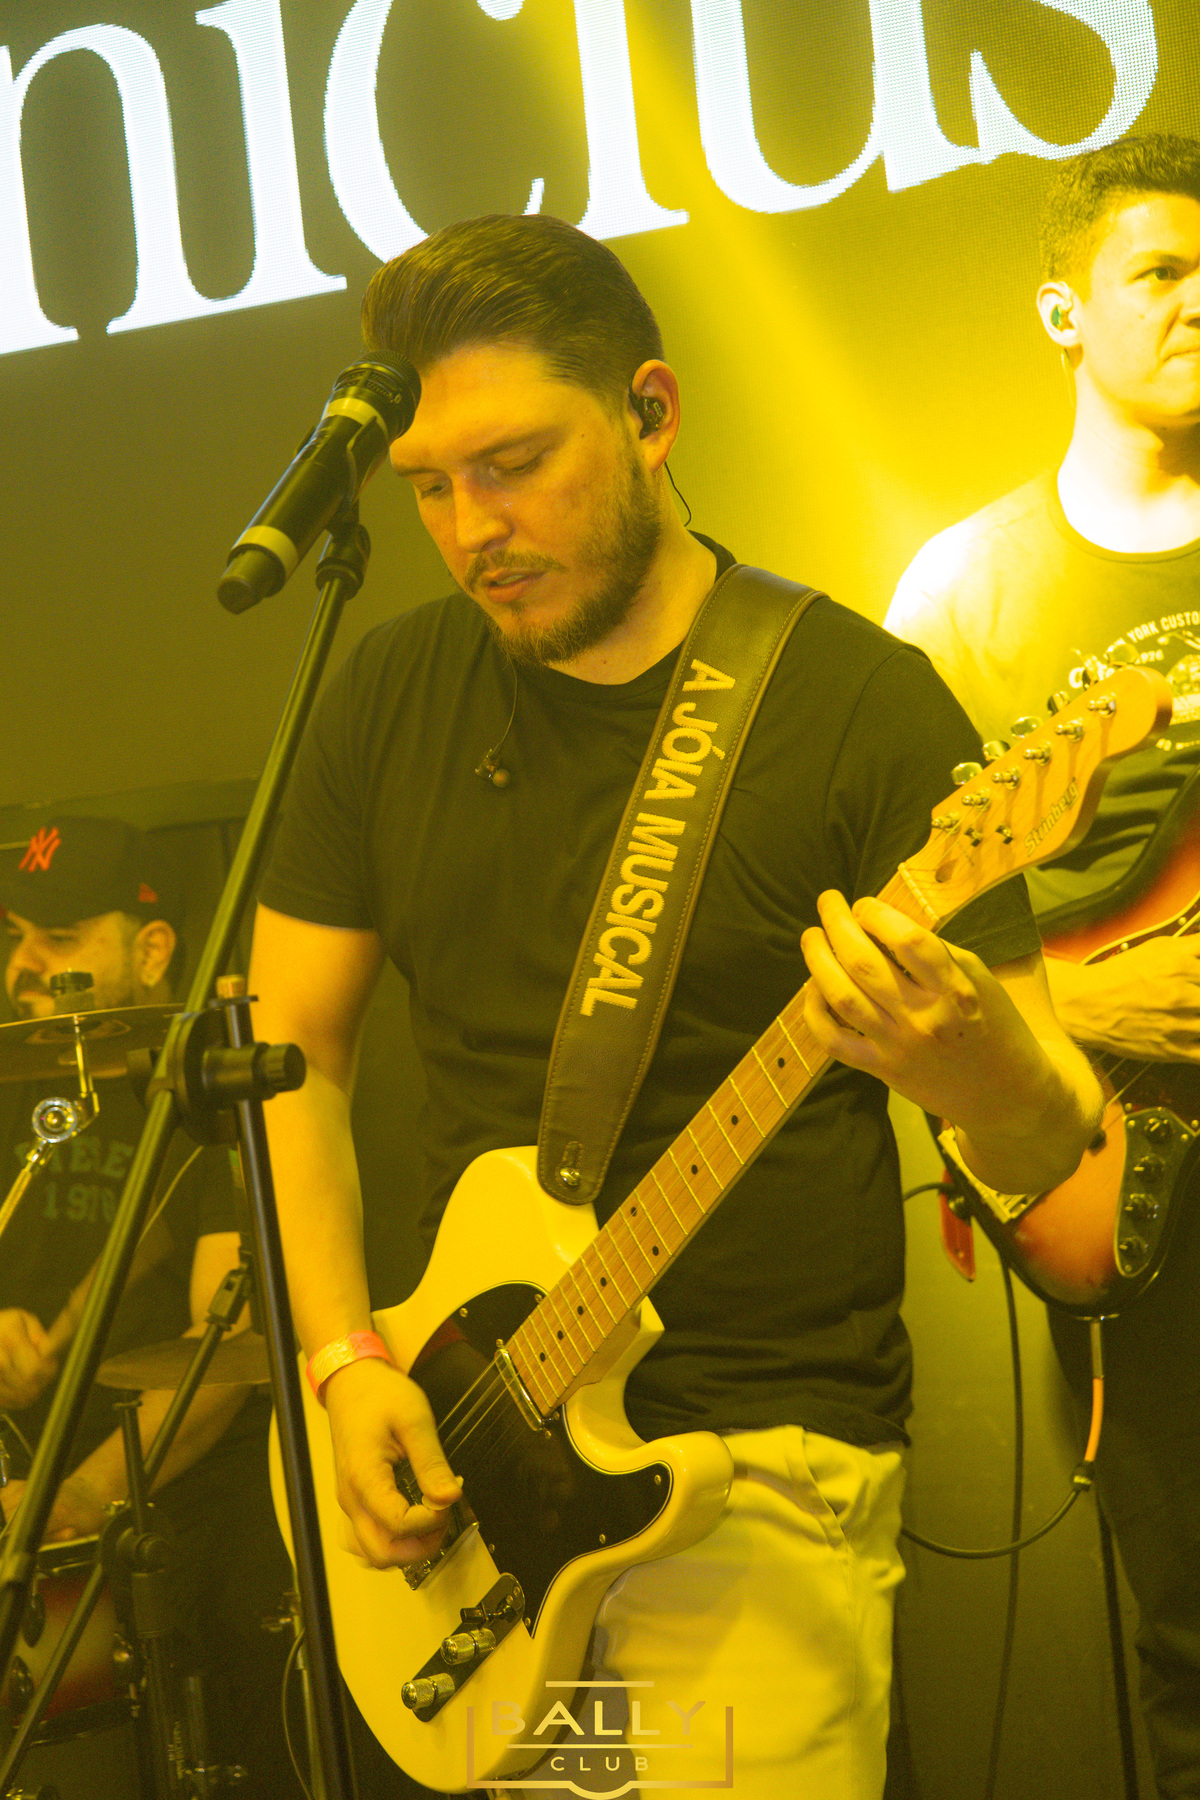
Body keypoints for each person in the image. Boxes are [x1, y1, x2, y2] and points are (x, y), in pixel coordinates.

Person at [250, 213, 1102, 1800]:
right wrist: (346, 1358)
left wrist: (969, 1058)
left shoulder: (857, 705)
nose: (473, 527)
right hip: (480, 1477)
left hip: (756, 1489)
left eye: (515, 464)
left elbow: (1057, 1137)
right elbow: (287, 1050)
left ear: (650, 413)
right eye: (430, 485)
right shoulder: (385, 695)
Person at [885, 133, 1200, 1800]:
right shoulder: (964, 592)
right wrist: (1074, 1007)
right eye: (1163, 271)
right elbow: (896, 932)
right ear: (1064, 310)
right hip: (1130, 1172)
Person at [0, 814, 302, 1799]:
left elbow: (224, 1350)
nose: (25, 967)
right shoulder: (14, 1084)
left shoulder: (212, 1102)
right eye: (16, 937)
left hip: (172, 1505)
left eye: (59, 938)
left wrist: (80, 1499)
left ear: (154, 949)